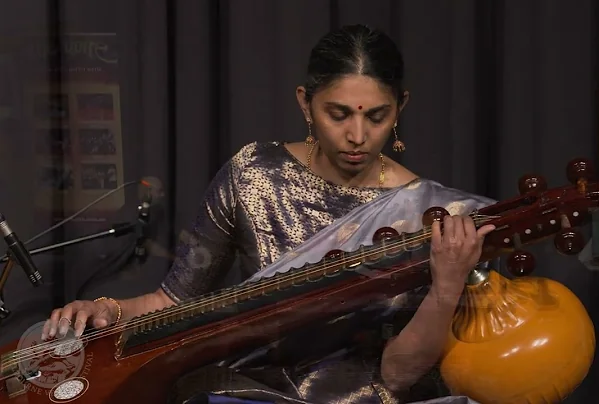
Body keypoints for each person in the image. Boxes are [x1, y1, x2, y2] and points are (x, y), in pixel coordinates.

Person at [41, 25, 496, 404]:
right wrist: (106, 308)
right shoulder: (253, 173)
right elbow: (174, 303)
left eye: (377, 116)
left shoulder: (437, 214)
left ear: (401, 108)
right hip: (248, 392)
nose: (358, 135)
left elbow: (398, 376)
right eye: (338, 114)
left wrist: (448, 283)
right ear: (305, 103)